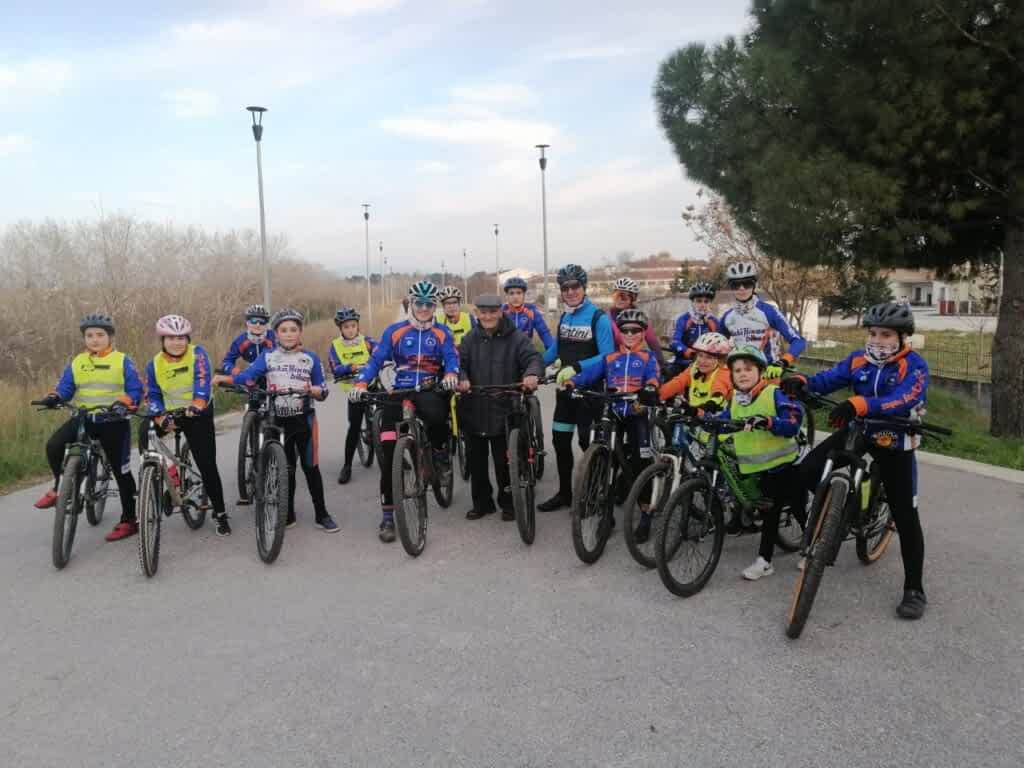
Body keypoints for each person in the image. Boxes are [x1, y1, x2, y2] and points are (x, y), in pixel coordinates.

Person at [782, 302, 930, 620]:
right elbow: (828, 379)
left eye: (886, 334)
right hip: (860, 430)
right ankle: (834, 516)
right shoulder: (858, 359)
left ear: (902, 337)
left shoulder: (915, 366)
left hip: (895, 438)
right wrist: (802, 382)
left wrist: (858, 403)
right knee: (807, 470)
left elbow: (903, 398)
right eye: (873, 333)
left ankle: (914, 590)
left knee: (906, 515)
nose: (877, 340)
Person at [350, 281, 460, 542]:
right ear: (411, 303)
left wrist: (451, 374)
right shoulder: (395, 331)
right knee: (389, 456)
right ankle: (388, 517)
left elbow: (451, 358)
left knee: (437, 419)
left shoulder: (442, 332)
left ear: (434, 306)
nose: (423, 308)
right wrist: (362, 383)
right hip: (399, 391)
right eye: (419, 303)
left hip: (429, 388)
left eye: (429, 304)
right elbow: (376, 360)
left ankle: (441, 456)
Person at [213, 308, 339, 533]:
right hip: (278, 422)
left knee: (311, 468)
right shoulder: (268, 356)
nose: (289, 334)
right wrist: (226, 379)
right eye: (283, 330)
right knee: (286, 469)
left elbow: (323, 389)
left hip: (304, 420)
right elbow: (248, 376)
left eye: (293, 330)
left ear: (300, 332)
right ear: (277, 333)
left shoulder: (310, 358)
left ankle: (322, 514)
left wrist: (317, 390)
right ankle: (288, 513)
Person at [34, 313, 143, 542]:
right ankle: (59, 488)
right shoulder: (78, 361)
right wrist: (55, 397)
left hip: (113, 421)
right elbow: (66, 387)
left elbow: (135, 390)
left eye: (100, 335)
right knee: (53, 445)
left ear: (110, 337)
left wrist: (124, 403)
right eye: (90, 335)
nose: (94, 339)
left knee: (121, 471)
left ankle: (129, 520)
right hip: (84, 418)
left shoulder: (122, 360)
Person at [562, 308, 661, 531]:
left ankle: (646, 511)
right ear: (620, 333)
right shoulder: (610, 358)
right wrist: (573, 382)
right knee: (608, 461)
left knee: (641, 462)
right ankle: (605, 514)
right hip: (614, 413)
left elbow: (654, 376)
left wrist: (650, 387)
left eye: (635, 330)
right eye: (625, 331)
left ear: (643, 333)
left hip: (637, 413)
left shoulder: (648, 357)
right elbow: (589, 374)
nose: (630, 334)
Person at [713, 345, 804, 580]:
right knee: (770, 510)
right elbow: (723, 422)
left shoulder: (774, 393)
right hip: (757, 467)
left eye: (748, 369)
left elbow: (793, 422)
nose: (742, 374)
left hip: (783, 464)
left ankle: (769, 560)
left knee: (791, 510)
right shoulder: (736, 400)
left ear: (761, 371)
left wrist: (769, 422)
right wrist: (699, 417)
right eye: (737, 370)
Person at [142, 314, 230, 536]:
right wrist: (160, 417)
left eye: (181, 338)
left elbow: (202, 381)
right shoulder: (154, 364)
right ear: (163, 340)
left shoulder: (197, 354)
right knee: (145, 433)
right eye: (171, 338)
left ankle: (220, 513)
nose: (177, 342)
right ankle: (163, 476)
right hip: (170, 413)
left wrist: (197, 405)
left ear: (187, 339)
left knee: (207, 465)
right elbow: (152, 395)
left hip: (197, 412)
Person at [457, 294, 543, 521]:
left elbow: (533, 358)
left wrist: (531, 374)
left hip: (506, 407)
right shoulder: (469, 339)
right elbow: (458, 364)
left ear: (500, 312)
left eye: (493, 312)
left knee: (504, 460)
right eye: (483, 312)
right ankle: (482, 503)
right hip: (475, 406)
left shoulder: (517, 338)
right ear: (477, 314)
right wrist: (461, 377)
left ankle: (508, 503)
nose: (488, 317)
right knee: (476, 461)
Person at [538, 264, 615, 512]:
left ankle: (594, 495)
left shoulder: (598, 318)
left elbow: (608, 356)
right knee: (560, 442)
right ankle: (565, 494)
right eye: (565, 288)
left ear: (584, 287)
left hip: (590, 393)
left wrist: (578, 368)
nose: (570, 292)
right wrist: (533, 366)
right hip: (566, 392)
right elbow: (556, 350)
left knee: (587, 444)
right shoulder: (565, 317)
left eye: (575, 287)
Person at [719, 262, 806, 368]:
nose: (742, 288)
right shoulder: (727, 317)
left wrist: (784, 361)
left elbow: (798, 341)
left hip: (767, 371)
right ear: (731, 287)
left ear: (754, 285)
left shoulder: (769, 311)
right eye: (736, 285)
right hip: (740, 372)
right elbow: (716, 347)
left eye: (747, 283)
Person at [327, 307, 377, 485]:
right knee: (354, 426)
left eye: (353, 326)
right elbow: (334, 368)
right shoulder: (335, 345)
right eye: (346, 327)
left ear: (358, 326)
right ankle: (347, 465)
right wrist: (351, 367)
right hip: (353, 389)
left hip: (372, 384)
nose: (350, 330)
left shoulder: (368, 341)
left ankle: (397, 457)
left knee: (388, 416)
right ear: (340, 328)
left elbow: (381, 352)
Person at [659, 331, 733, 411]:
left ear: (720, 360)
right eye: (700, 355)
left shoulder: (724, 373)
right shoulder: (694, 369)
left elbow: (718, 394)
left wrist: (705, 407)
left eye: (709, 357)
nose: (702, 361)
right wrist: (657, 396)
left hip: (717, 416)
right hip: (694, 415)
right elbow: (678, 382)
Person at [607, 277, 666, 371]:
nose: (619, 300)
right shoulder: (606, 317)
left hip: (635, 362)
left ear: (632, 299)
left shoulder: (640, 319)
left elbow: (653, 343)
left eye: (624, 297)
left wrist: (661, 365)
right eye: (616, 296)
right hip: (612, 363)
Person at [667, 282, 720, 379]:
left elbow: (721, 344)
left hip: (707, 364)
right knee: (667, 375)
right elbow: (674, 341)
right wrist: (686, 351)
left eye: (706, 301)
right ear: (692, 302)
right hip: (683, 362)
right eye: (699, 301)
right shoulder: (683, 319)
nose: (702, 305)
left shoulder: (714, 321)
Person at [501, 276, 555, 353]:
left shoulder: (531, 311)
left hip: (525, 353)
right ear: (507, 296)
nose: (515, 297)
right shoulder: (501, 312)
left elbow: (544, 332)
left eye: (519, 293)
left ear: (524, 294)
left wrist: (553, 352)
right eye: (511, 293)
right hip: (505, 353)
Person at [220, 303, 276, 375]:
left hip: (274, 372)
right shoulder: (241, 341)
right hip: (252, 373)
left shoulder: (274, 337)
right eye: (254, 321)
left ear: (266, 324)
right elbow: (226, 361)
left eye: (262, 322)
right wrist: (234, 370)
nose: (258, 325)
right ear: (248, 323)